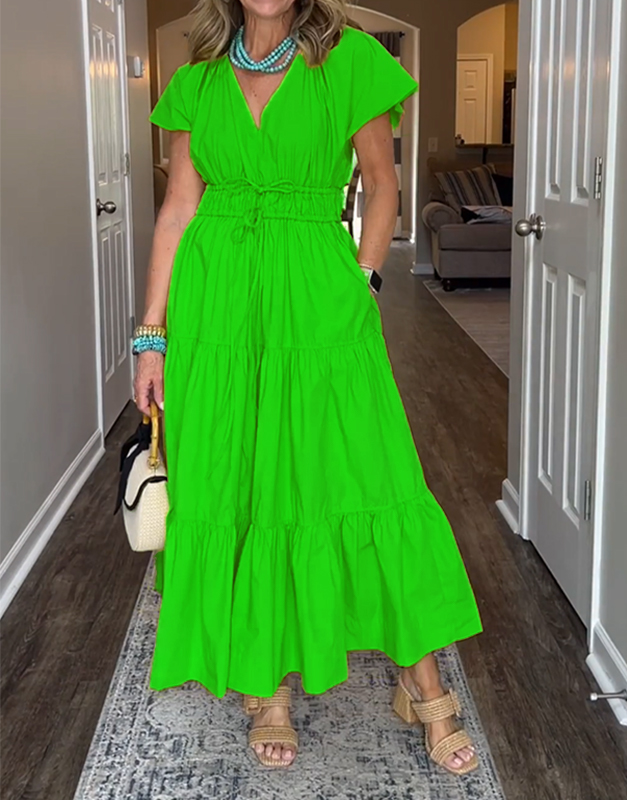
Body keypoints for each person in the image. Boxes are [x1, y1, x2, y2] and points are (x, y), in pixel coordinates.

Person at [134, 0, 482, 774]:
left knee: (368, 474)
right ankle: (267, 687)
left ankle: (422, 680)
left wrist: (362, 281)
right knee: (240, 484)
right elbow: (179, 208)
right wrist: (151, 333)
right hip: (216, 307)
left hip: (318, 295)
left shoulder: (349, 61)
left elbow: (382, 186)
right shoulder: (196, 79)